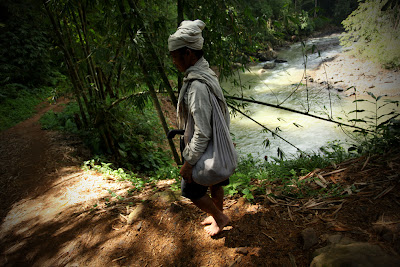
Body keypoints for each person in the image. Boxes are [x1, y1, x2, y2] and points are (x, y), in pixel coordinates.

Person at [168, 19, 231, 236]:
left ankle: (220, 217)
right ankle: (217, 215)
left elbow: (202, 132)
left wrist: (188, 163)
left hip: (205, 144)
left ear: (187, 53)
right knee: (216, 181)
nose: (173, 61)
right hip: (217, 143)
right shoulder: (207, 72)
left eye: (175, 56)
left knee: (191, 191)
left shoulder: (196, 86)